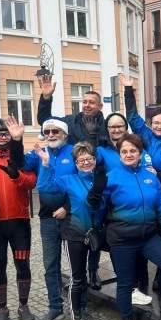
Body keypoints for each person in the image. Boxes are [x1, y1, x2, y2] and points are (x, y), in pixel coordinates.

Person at [87, 133, 161, 320]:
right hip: (122, 240)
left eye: (133, 151)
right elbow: (95, 207)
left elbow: (159, 205)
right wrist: (96, 192)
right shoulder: (111, 177)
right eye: (124, 151)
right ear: (119, 154)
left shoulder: (150, 176)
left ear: (140, 153)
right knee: (125, 284)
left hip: (148, 236)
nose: (129, 154)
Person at [37, 74, 105, 288]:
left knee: (94, 234)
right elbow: (46, 122)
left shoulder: (106, 124)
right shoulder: (70, 121)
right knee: (77, 240)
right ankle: (78, 278)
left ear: (99, 105)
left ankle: (93, 272)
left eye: (91, 102)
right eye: (84, 101)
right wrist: (46, 98)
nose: (86, 105)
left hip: (96, 181)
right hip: (75, 183)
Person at [21, 117, 88, 320]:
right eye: (47, 132)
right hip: (47, 219)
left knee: (77, 265)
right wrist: (16, 140)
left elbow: (83, 184)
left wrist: (66, 208)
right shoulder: (40, 153)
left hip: (72, 217)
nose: (51, 135)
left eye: (55, 132)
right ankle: (55, 307)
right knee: (51, 264)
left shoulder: (75, 153)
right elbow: (20, 163)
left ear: (65, 134)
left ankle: (81, 307)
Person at [35, 141, 104, 320]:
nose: (85, 162)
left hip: (96, 233)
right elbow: (44, 186)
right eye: (81, 160)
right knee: (77, 277)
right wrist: (46, 165)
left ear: (94, 159)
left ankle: (82, 310)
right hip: (75, 234)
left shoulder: (102, 178)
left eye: (89, 159)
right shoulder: (68, 179)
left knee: (91, 271)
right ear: (75, 162)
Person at [123, 77, 161, 294]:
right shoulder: (145, 137)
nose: (159, 126)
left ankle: (160, 276)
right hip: (141, 193)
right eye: (156, 122)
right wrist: (128, 89)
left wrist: (160, 174)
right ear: (151, 124)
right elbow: (131, 116)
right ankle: (141, 278)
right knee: (143, 232)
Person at [0, 117, 37, 320]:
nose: (3, 137)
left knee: (22, 265)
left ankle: (24, 306)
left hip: (19, 222)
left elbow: (32, 182)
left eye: (6, 134)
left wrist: (16, 176)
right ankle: (2, 309)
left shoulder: (21, 158)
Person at [96, 111, 154, 304]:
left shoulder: (137, 145)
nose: (116, 129)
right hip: (114, 206)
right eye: (112, 126)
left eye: (120, 125)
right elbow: (89, 166)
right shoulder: (102, 150)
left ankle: (142, 283)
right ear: (107, 129)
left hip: (136, 203)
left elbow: (146, 166)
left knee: (141, 247)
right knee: (120, 248)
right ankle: (127, 285)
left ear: (125, 126)